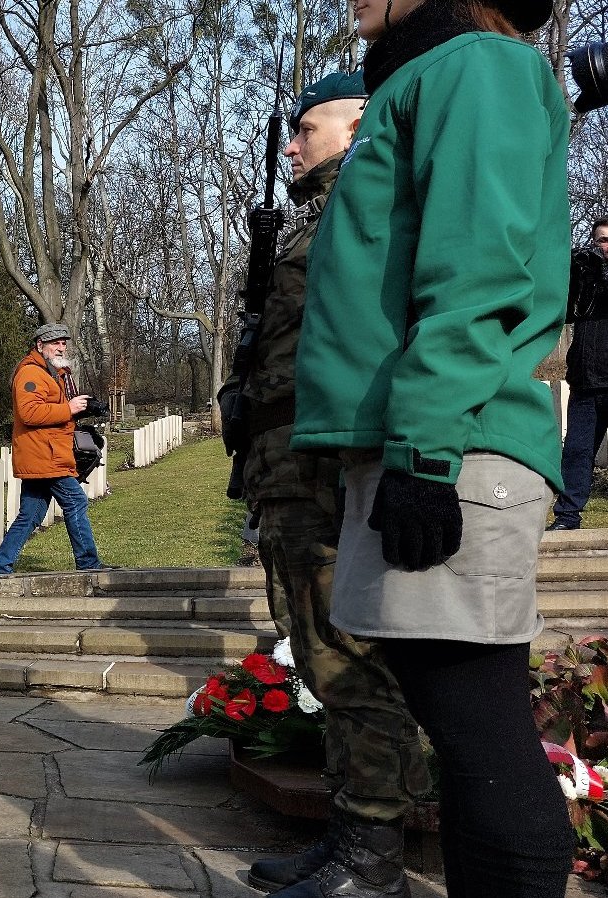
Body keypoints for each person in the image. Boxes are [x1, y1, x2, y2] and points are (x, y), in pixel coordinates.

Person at [291, 0, 575, 895]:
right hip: (428, 438)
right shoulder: (426, 73)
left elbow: (480, 269)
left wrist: (422, 453)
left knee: (481, 734)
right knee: (461, 739)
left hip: (454, 443)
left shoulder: (476, 66)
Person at [227, 72, 430, 895]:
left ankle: (374, 855)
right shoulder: (323, 218)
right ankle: (350, 831)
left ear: (357, 124)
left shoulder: (369, 206)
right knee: (314, 653)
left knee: (347, 656)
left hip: (322, 468)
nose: (291, 144)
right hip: (284, 469)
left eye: (306, 128)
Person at [0, 324, 107, 576]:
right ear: (40, 346)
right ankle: (88, 565)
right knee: (76, 501)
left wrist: (84, 407)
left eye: (63, 342)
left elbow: (54, 408)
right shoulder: (31, 373)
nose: (61, 347)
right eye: (55, 343)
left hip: (46, 453)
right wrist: (69, 409)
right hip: (45, 455)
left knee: (31, 514)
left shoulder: (52, 372)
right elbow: (29, 413)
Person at [549, 217, 608, 531]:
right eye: (600, 240)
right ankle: (568, 517)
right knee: (576, 451)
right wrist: (578, 270)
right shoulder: (585, 279)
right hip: (586, 383)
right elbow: (565, 307)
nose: (605, 247)